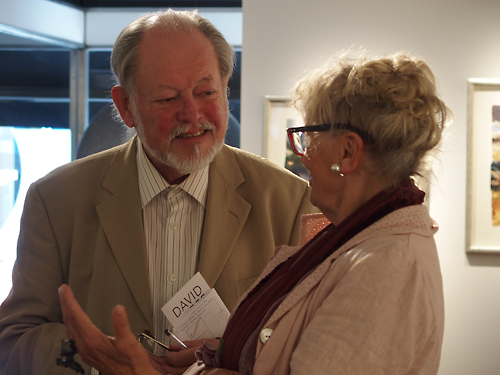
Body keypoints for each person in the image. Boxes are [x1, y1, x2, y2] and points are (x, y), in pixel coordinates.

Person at [57, 50, 451, 375]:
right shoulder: (356, 238)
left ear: (347, 152)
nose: (303, 155)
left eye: (309, 136)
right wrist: (215, 357)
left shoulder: (384, 265)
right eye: (167, 98)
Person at [0, 10, 316, 375]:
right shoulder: (56, 200)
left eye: (206, 92)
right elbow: (14, 338)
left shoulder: (291, 202)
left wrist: (239, 353)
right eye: (167, 99)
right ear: (125, 106)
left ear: (226, 86)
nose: (192, 114)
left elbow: (312, 342)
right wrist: (96, 360)